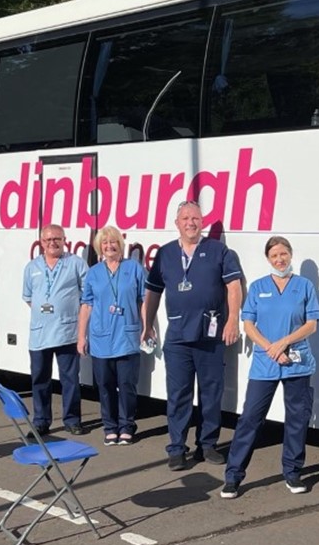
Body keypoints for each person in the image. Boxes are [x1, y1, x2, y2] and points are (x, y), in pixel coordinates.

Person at [143, 201, 243, 471]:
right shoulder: (164, 254)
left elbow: (233, 286)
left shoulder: (218, 251)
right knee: (178, 395)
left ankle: (207, 444)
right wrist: (147, 324)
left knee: (211, 393)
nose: (191, 223)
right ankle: (177, 448)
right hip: (177, 338)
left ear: (202, 222)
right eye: (185, 218)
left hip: (210, 336)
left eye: (196, 218)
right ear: (177, 223)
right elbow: (152, 292)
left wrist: (233, 319)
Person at [220, 236, 319, 499]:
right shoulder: (258, 287)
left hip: (296, 362)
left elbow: (312, 325)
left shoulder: (304, 286)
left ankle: (293, 472)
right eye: (275, 255)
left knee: (297, 420)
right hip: (265, 363)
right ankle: (233, 477)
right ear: (268, 259)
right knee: (250, 418)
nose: (280, 259)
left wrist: (284, 343)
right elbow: (249, 325)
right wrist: (270, 348)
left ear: (290, 255)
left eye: (284, 254)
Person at [78, 226, 148, 445]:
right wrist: (81, 336)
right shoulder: (94, 273)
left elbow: (143, 300)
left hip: (126, 335)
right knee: (105, 385)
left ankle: (127, 425)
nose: (109, 246)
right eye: (105, 243)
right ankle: (110, 426)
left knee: (127, 384)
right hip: (100, 337)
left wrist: (147, 327)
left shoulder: (134, 268)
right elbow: (87, 305)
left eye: (113, 242)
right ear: (100, 246)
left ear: (120, 244)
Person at [22, 224, 89, 437]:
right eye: (48, 239)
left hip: (67, 331)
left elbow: (87, 295)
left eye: (57, 239)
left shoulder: (76, 264)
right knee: (40, 379)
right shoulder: (32, 267)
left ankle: (72, 420)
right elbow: (28, 297)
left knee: (69, 379)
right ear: (41, 242)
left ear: (64, 240)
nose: (53, 243)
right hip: (40, 333)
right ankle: (41, 421)